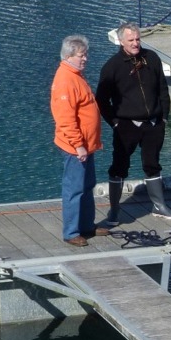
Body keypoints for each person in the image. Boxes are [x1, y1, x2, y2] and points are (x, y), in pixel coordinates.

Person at [96, 22, 171, 222]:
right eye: (131, 40)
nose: (135, 43)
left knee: (152, 164)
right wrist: (114, 122)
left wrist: (164, 117)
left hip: (153, 124)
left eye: (138, 39)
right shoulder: (112, 66)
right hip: (126, 126)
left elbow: (162, 90)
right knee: (119, 167)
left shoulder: (152, 58)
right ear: (121, 41)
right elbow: (101, 99)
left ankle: (159, 205)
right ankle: (114, 210)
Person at [50, 34, 108, 247]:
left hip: (87, 145)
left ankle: (86, 225)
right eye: (82, 55)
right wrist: (78, 145)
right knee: (74, 188)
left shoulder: (76, 74)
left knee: (87, 185)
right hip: (76, 147)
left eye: (85, 54)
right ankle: (71, 232)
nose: (86, 59)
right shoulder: (65, 80)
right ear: (68, 56)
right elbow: (65, 119)